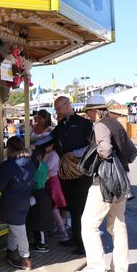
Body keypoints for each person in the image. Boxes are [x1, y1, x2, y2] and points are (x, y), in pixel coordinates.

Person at [75, 96, 137, 272]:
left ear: (95, 111)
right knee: (118, 225)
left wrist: (101, 160)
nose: (87, 116)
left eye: (87, 112)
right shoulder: (116, 124)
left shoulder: (100, 125)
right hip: (122, 179)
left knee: (88, 224)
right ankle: (121, 271)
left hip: (105, 181)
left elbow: (105, 150)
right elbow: (133, 152)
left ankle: (97, 269)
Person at [52, 96, 93, 255]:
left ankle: (84, 244)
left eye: (58, 108)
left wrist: (74, 153)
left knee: (81, 208)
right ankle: (75, 238)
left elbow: (92, 146)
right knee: (71, 207)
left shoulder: (84, 124)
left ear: (68, 105)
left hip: (82, 172)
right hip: (66, 173)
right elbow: (51, 139)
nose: (57, 111)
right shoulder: (61, 125)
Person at [0, 137, 35, 270]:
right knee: (15, 228)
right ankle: (10, 252)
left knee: (19, 230)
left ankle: (25, 259)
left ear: (9, 149)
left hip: (11, 202)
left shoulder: (9, 165)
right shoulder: (30, 162)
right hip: (24, 201)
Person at [26, 145, 54, 254]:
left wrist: (30, 151)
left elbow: (34, 160)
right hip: (38, 194)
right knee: (35, 219)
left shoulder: (39, 165)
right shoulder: (41, 165)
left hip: (39, 195)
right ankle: (38, 242)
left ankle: (42, 244)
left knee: (40, 222)